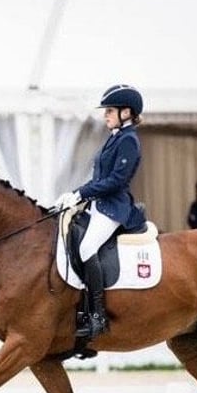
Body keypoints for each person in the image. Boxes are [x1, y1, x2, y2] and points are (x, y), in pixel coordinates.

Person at [54, 84, 146, 340]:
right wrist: (75, 194)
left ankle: (97, 315)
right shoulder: (116, 136)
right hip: (99, 205)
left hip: (113, 207)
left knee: (86, 248)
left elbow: (116, 180)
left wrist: (81, 193)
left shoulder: (129, 140)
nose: (105, 115)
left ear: (126, 112)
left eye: (110, 110)